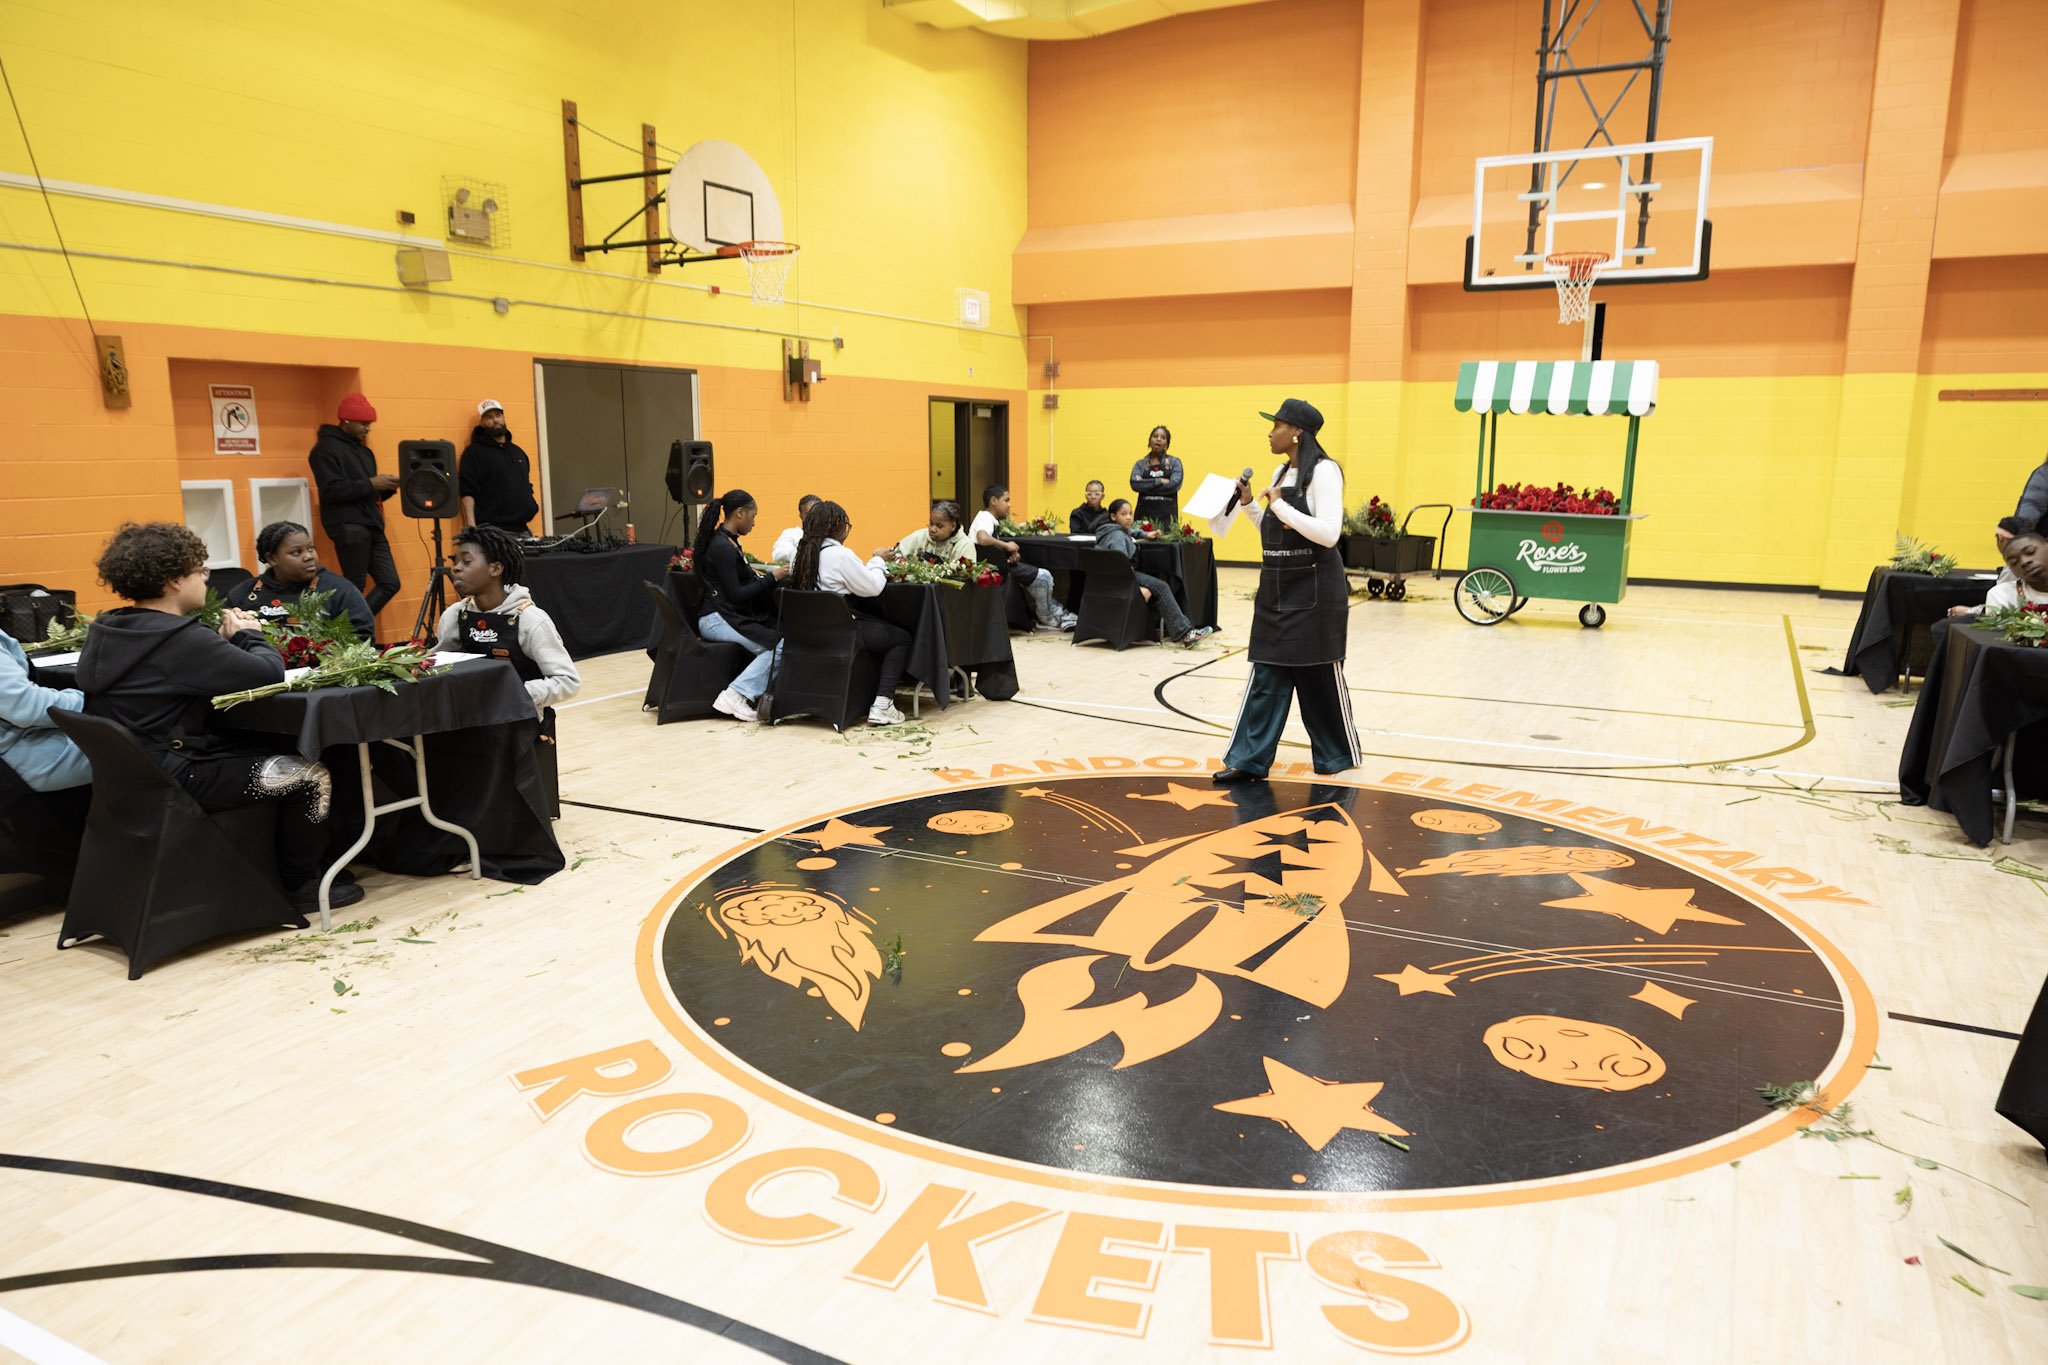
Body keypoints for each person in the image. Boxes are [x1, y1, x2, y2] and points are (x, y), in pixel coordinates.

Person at [76, 522, 359, 910]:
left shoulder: (108, 628)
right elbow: (267, 672)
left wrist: (219, 647)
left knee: (278, 743)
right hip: (180, 776)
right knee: (311, 775)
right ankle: (299, 884)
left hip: (132, 776)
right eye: (200, 570)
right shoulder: (179, 638)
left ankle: (277, 863)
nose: (205, 578)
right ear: (175, 581)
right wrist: (248, 633)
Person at [1206, 398, 1359, 784]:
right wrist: (1249, 506)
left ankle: (1336, 755)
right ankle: (1248, 760)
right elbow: (1270, 532)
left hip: (1316, 593)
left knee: (1318, 678)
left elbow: (1328, 534)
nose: (1270, 432)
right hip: (1276, 590)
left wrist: (1282, 508)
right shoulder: (1278, 471)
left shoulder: (1325, 472)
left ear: (1297, 432)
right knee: (1266, 679)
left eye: (1276, 425)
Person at [429, 526, 581, 716]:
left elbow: (568, 681)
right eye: (456, 561)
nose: (456, 568)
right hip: (468, 719)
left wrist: (515, 693)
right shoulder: (453, 615)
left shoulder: (530, 620)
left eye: (466, 561)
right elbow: (439, 666)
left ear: (496, 568)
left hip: (517, 723)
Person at [790, 500, 914, 727]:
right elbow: (873, 587)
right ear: (836, 524)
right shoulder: (839, 555)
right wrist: (877, 560)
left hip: (806, 636)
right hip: (843, 635)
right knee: (902, 638)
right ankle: (882, 704)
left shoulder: (799, 556)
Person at [0, 629, 90, 885]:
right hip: (18, 761)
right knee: (140, 747)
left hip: (14, 751)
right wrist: (93, 702)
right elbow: (26, 707)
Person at [693, 489, 789, 723]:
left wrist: (755, 574)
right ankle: (735, 694)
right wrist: (772, 578)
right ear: (739, 513)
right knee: (778, 646)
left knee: (781, 637)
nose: (754, 522)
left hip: (723, 616)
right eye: (753, 516)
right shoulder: (722, 548)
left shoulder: (727, 541)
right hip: (717, 620)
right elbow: (736, 595)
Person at [309, 393, 401, 617]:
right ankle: (349, 633)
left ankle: (355, 626)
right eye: (364, 423)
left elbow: (365, 493)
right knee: (354, 586)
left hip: (371, 524)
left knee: (390, 582)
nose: (368, 428)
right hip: (348, 526)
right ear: (346, 420)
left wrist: (386, 487)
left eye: (369, 424)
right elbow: (331, 491)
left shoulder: (364, 451)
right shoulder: (324, 449)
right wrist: (371, 483)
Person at [225, 521, 375, 642]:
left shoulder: (340, 589)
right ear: (272, 558)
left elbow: (363, 638)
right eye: (297, 552)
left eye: (310, 549)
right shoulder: (243, 592)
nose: (308, 556)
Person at [1098, 499, 1214, 646]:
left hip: (1111, 576)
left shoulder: (1111, 530)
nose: (1129, 517)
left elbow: (1130, 532)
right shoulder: (1117, 537)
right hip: (1122, 577)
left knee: (1159, 584)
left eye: (1130, 513)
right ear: (1113, 516)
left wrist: (1145, 534)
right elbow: (1121, 565)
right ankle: (1185, 633)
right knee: (1162, 586)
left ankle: (1183, 631)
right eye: (1123, 514)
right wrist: (1134, 586)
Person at [969, 485, 1075, 631]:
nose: (1009, 504)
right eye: (1006, 500)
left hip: (1001, 566)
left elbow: (991, 550)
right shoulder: (985, 518)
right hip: (996, 572)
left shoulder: (989, 519)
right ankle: (1046, 618)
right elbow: (982, 538)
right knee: (1044, 577)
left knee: (1039, 576)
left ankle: (1054, 611)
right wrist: (1007, 546)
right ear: (993, 501)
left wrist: (1007, 557)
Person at [458, 399, 539, 535]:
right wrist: (471, 526)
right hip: (492, 532)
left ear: (503, 417)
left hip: (523, 529)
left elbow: (525, 484)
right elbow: (467, 491)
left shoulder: (518, 452)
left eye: (498, 415)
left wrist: (532, 505)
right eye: (489, 417)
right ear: (482, 423)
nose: (495, 420)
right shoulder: (473, 453)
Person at [1950, 519, 2048, 617]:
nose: (2024, 562)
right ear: (2012, 571)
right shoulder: (2002, 596)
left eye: (2030, 552)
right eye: (2014, 562)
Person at [1130, 426, 1184, 527]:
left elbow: (1175, 484)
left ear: (1166, 444)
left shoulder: (1174, 462)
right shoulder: (1140, 464)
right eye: (1155, 436)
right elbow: (1135, 484)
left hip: (1167, 519)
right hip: (1143, 519)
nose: (1158, 439)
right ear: (1150, 441)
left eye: (1163, 438)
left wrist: (1146, 485)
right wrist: (1159, 481)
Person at [893, 500, 974, 565]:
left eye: (939, 526)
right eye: (931, 523)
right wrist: (900, 562)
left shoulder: (965, 545)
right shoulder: (919, 536)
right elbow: (896, 553)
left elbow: (966, 576)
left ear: (953, 526)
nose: (932, 529)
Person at [772, 494, 821, 565]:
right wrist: (803, 551)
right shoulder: (791, 534)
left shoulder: (830, 535)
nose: (812, 517)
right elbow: (777, 555)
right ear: (801, 516)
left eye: (816, 513)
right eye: (807, 514)